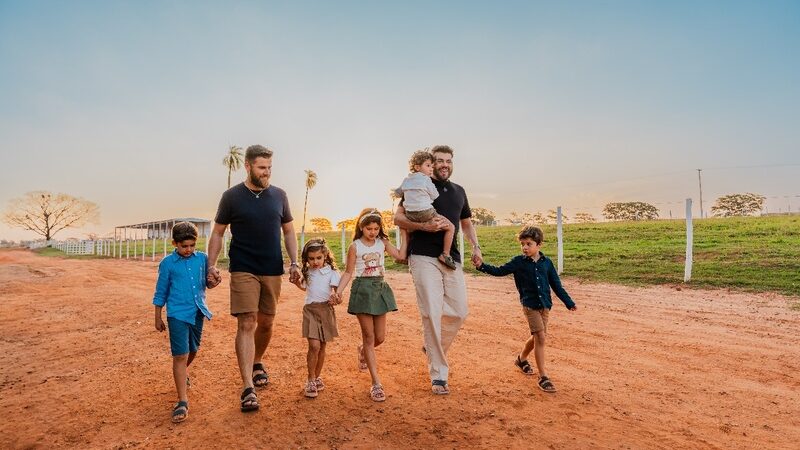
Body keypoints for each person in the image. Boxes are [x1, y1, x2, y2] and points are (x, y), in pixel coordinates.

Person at [206, 144, 301, 413]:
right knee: (247, 321)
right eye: (261, 168)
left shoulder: (279, 196)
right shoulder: (231, 197)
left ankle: (257, 360)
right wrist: (210, 265)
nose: (266, 172)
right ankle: (248, 386)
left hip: (272, 267)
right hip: (243, 267)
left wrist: (294, 262)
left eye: (269, 167)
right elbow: (218, 232)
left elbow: (289, 231)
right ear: (247, 166)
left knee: (266, 322)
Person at [394, 145, 482, 395]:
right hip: (422, 256)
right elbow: (398, 219)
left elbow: (466, 224)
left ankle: (433, 347)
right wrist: (424, 227)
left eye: (448, 161)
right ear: (431, 164)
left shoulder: (459, 191)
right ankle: (439, 375)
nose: (444, 165)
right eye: (439, 161)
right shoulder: (419, 184)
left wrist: (476, 247)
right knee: (431, 312)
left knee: (459, 311)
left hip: (450, 257)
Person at [475, 226, 577, 393]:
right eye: (522, 244)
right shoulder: (518, 262)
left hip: (545, 305)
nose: (525, 247)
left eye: (529, 244)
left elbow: (556, 285)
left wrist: (568, 302)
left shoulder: (547, 263)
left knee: (537, 337)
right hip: (530, 305)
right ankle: (543, 376)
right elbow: (500, 271)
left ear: (539, 244)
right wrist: (482, 266)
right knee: (540, 337)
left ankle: (521, 359)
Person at [336, 208, 406, 402]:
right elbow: (348, 272)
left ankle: (362, 350)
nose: (373, 232)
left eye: (376, 228)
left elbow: (400, 256)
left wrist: (404, 232)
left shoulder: (383, 243)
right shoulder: (355, 247)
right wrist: (339, 291)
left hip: (379, 288)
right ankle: (376, 383)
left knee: (380, 338)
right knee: (369, 337)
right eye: (369, 229)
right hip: (363, 290)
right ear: (361, 227)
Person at [153, 222, 215, 423]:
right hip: (177, 314)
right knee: (180, 355)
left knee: (193, 350)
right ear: (175, 243)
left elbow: (207, 283)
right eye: (184, 246)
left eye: (192, 245)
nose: (188, 250)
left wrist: (214, 281)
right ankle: (182, 401)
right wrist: (157, 316)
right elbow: (161, 291)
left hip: (197, 312)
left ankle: (182, 372)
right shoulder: (167, 263)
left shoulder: (203, 259)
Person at [289, 238, 342, 398]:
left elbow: (337, 293)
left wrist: (336, 297)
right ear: (306, 259)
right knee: (314, 346)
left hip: (326, 310)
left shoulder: (332, 272)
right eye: (311, 259)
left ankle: (317, 377)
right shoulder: (307, 272)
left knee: (322, 346)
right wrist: (296, 283)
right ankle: (310, 379)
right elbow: (304, 287)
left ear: (325, 256)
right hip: (310, 310)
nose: (315, 262)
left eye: (319, 258)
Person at [395, 149, 457, 270]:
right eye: (428, 166)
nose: (431, 169)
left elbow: (398, 192)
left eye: (432, 166)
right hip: (426, 212)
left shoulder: (406, 180)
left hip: (410, 214)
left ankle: (404, 254)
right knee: (451, 227)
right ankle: (445, 254)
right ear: (417, 167)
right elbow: (435, 195)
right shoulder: (426, 179)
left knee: (406, 228)